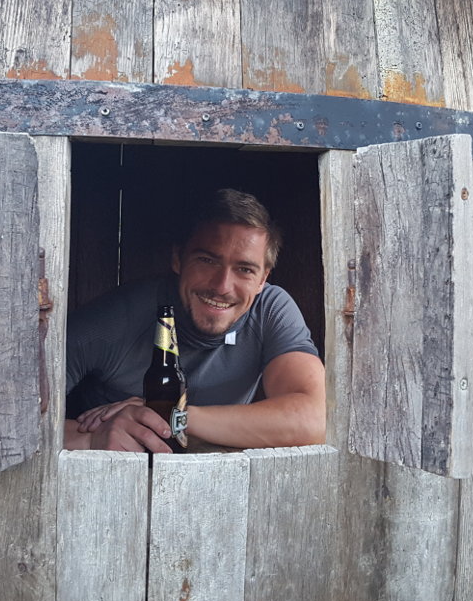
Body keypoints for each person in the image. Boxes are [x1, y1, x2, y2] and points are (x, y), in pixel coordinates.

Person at [63, 189, 325, 452]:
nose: (222, 286)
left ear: (262, 280)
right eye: (207, 260)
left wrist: (174, 416)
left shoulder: (269, 309)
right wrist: (92, 440)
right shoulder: (118, 317)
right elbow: (36, 413)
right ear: (178, 259)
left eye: (244, 269)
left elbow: (315, 419)